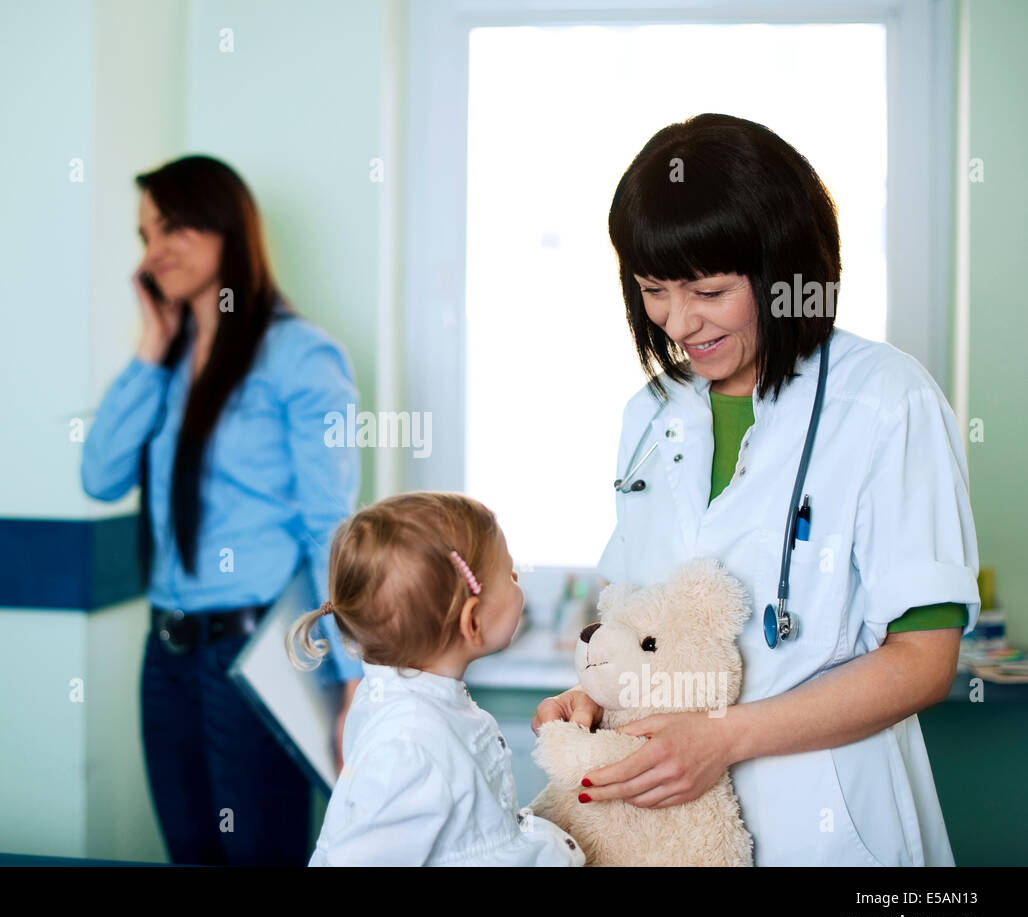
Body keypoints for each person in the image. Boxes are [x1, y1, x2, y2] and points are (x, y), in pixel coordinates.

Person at [534, 113, 979, 866]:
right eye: (654, 290)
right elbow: (641, 621)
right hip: (670, 830)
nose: (680, 322)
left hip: (833, 819)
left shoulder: (885, 401)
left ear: (783, 271)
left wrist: (725, 738)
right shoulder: (650, 416)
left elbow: (925, 659)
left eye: (708, 290)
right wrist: (594, 702)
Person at [81, 155, 363, 866]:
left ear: (226, 228)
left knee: (259, 857)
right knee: (190, 858)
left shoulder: (300, 356)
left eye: (173, 227)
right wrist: (150, 343)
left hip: (257, 659)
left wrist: (353, 679)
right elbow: (99, 476)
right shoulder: (167, 362)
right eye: (145, 234)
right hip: (167, 655)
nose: (154, 251)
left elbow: (330, 526)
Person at [289, 491, 587, 866]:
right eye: (510, 574)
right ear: (473, 620)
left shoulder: (413, 701)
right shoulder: (410, 744)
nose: (517, 582)